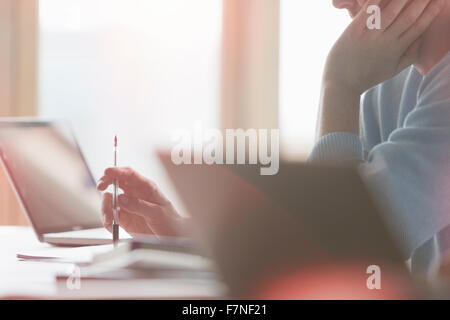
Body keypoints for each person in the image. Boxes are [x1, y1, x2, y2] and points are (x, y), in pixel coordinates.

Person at [97, 0, 450, 276]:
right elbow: (315, 238)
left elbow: (341, 253)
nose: (338, 2)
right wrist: (188, 234)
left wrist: (339, 86)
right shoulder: (389, 83)